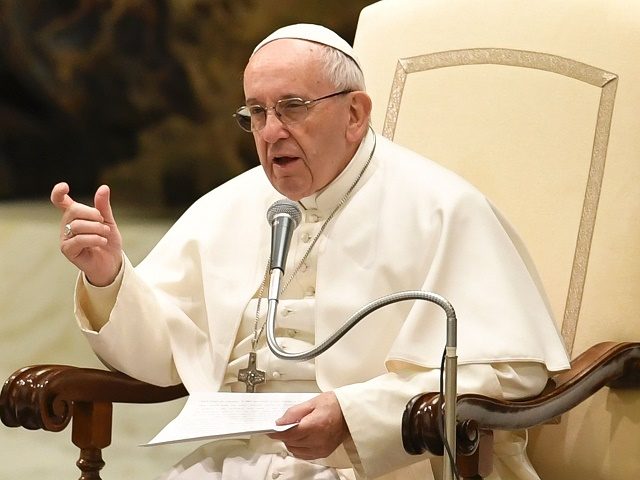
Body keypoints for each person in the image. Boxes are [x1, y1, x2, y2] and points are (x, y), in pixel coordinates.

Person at [51, 23, 570, 480]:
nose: (272, 131)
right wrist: (110, 277)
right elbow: (164, 354)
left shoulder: (440, 207)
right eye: (256, 113)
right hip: (233, 460)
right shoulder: (228, 205)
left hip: (383, 463)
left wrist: (355, 414)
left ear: (354, 113)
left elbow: (510, 372)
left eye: (292, 107)